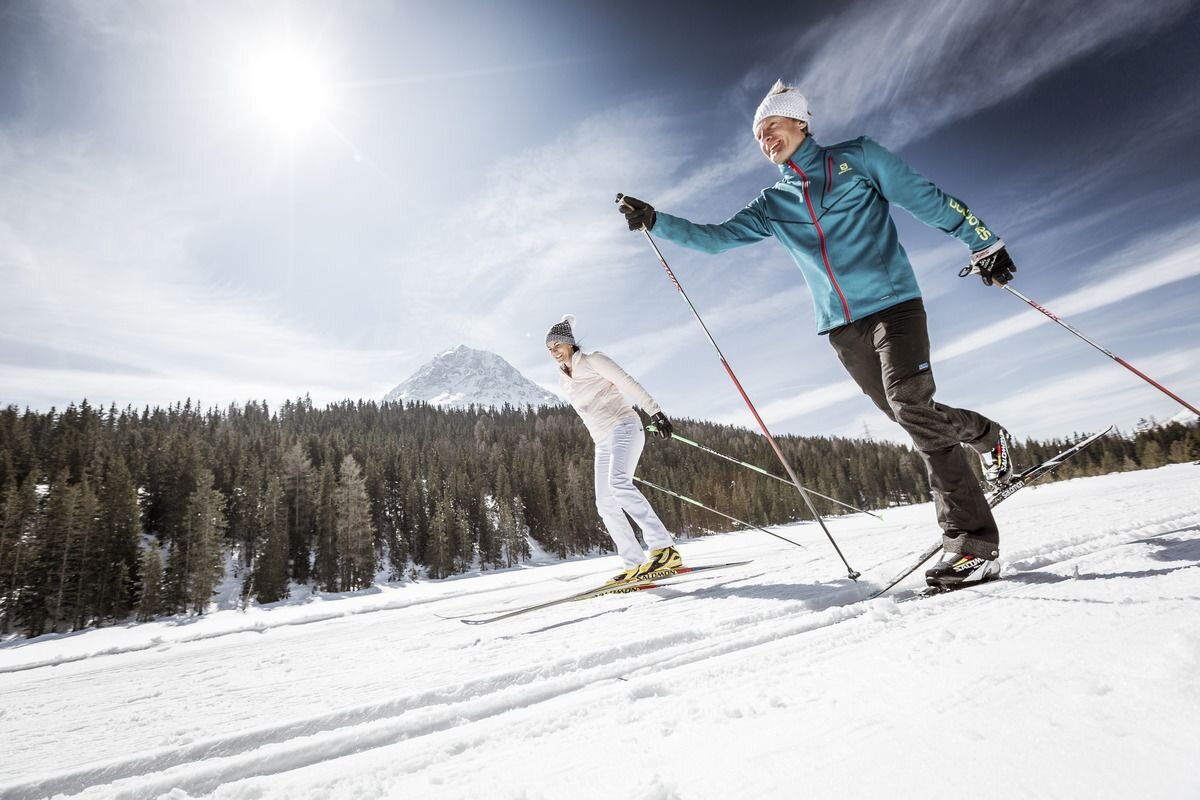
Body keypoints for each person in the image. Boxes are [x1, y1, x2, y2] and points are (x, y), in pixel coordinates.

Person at [617, 81, 1018, 591]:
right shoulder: (773, 202)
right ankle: (986, 436)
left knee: (912, 407)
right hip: (841, 328)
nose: (766, 138)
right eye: (759, 135)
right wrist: (657, 221)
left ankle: (973, 545)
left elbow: (926, 199)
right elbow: (717, 239)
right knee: (909, 413)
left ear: (801, 123)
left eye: (773, 125)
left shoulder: (858, 158)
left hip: (894, 306)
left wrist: (983, 242)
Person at [545, 314, 683, 584]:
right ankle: (635, 564)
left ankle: (664, 549)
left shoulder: (593, 360)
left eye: (557, 345)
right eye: (550, 349)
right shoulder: (564, 380)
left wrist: (655, 411)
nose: (554, 352)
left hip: (624, 426)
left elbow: (627, 382)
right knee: (605, 504)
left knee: (618, 483)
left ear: (570, 343)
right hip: (602, 441)